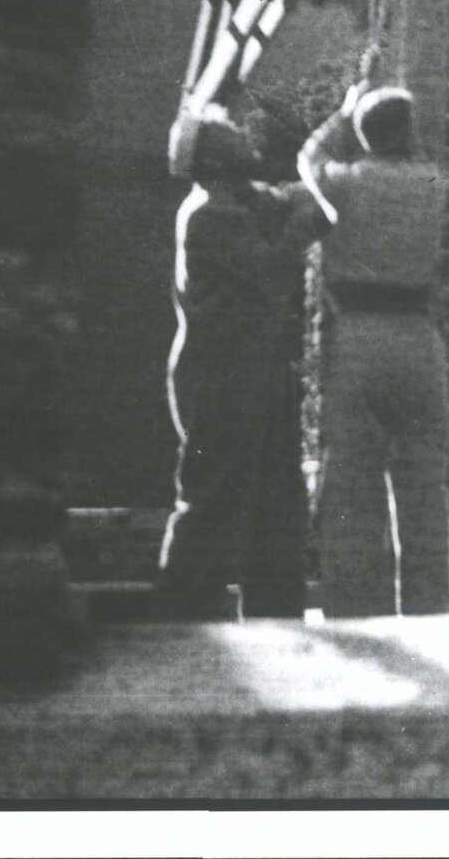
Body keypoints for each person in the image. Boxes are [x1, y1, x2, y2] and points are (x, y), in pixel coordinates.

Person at [157, 105, 329, 620]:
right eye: (230, 135)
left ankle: (274, 615)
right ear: (212, 158)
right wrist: (300, 227)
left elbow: (296, 197)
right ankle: (182, 620)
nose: (243, 136)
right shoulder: (212, 213)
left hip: (254, 373)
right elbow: (272, 265)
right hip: (221, 376)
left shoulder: (237, 203)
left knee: (277, 500)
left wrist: (342, 123)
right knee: (212, 500)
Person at [299, 51, 449, 617]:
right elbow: (422, 157)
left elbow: (308, 156)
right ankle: (429, 604)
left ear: (365, 136)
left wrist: (348, 104)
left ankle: (355, 609)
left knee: (354, 483)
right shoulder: (435, 182)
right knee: (423, 483)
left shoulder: (345, 182)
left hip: (359, 335)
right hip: (419, 337)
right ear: (408, 132)